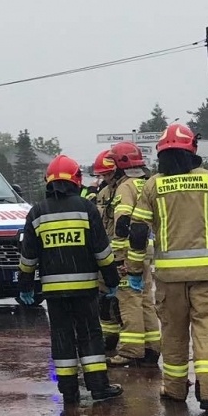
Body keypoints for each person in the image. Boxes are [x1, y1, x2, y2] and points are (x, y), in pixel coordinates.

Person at [126, 124, 208, 414]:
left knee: (174, 333)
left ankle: (176, 391)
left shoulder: (154, 185)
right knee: (206, 329)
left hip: (169, 277)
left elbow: (138, 231)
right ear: (192, 150)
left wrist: (134, 270)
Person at [19, 154, 124, 404]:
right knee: (90, 335)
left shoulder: (37, 212)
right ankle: (99, 388)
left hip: (53, 292)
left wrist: (25, 288)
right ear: (76, 180)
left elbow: (28, 258)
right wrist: (111, 281)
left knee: (62, 336)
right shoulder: (86, 208)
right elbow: (102, 251)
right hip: (85, 289)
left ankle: (68, 391)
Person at [106, 140, 160, 367]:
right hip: (147, 249)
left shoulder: (125, 187)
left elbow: (122, 222)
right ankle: (151, 348)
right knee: (145, 298)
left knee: (128, 300)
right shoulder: (147, 184)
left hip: (128, 251)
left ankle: (131, 350)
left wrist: (118, 255)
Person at [90, 150, 123, 351]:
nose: (105, 178)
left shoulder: (125, 191)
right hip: (106, 253)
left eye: (108, 174)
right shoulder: (103, 194)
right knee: (104, 301)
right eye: (102, 175)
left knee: (124, 304)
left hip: (123, 255)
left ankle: (129, 345)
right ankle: (109, 340)